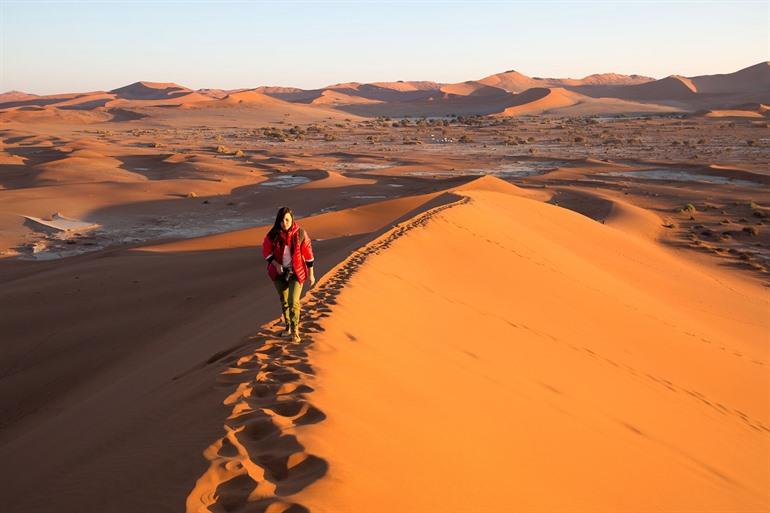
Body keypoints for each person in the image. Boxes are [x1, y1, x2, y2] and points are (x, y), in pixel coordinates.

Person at [261, 206, 315, 342]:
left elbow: (308, 255)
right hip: (279, 273)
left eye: (287, 219)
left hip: (296, 272)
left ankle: (295, 331)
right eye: (281, 220)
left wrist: (312, 274)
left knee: (293, 301)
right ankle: (288, 327)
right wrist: (276, 264)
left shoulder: (301, 234)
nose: (284, 223)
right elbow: (266, 252)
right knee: (284, 302)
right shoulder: (272, 235)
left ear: (292, 219)